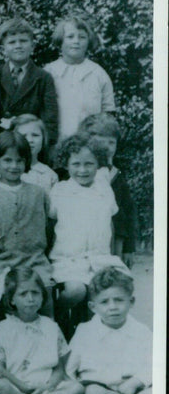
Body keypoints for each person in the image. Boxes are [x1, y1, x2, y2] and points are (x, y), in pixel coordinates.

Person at [49, 133, 130, 337]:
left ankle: (102, 337)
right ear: (66, 164)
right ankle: (54, 318)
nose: (82, 170)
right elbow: (49, 226)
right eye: (76, 164)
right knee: (77, 290)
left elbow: (110, 221)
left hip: (99, 258)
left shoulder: (104, 190)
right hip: (69, 260)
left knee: (118, 289)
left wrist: (115, 255)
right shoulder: (59, 191)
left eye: (89, 164)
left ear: (98, 165)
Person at [0, 267, 89, 394]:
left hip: (46, 388)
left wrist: (48, 386)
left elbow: (59, 368)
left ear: (42, 297)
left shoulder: (51, 327)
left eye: (35, 293)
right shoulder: (2, 328)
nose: (30, 298)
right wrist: (20, 386)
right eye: (23, 294)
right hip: (16, 387)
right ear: (12, 299)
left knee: (78, 389)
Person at [0, 131, 53, 318]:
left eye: (19, 161)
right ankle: (1, 340)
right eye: (7, 160)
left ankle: (48, 337)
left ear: (26, 161)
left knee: (45, 289)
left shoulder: (38, 193)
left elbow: (47, 229)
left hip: (33, 260)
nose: (14, 166)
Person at [67, 268, 152, 394]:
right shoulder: (85, 331)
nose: (112, 307)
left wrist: (136, 381)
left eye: (119, 300)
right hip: (99, 389)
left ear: (131, 302)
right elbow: (69, 368)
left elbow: (155, 364)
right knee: (92, 393)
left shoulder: (141, 331)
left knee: (158, 390)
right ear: (93, 306)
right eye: (104, 302)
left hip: (132, 388)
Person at [79, 113, 138, 268]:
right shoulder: (79, 175)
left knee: (113, 275)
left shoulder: (117, 176)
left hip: (116, 239)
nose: (107, 149)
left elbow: (128, 212)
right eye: (101, 143)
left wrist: (129, 247)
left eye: (112, 143)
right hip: (87, 239)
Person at [44, 14, 115, 141]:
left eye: (82, 37)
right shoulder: (49, 73)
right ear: (61, 40)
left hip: (90, 144)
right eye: (70, 37)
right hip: (55, 143)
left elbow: (108, 113)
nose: (76, 41)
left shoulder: (98, 74)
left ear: (89, 41)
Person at [0, 17, 58, 143]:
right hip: (2, 144)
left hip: (31, 143)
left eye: (23, 41)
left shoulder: (43, 78)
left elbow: (50, 121)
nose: (18, 46)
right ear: (3, 48)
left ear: (32, 46)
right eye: (12, 42)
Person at [12, 113, 59, 192]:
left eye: (35, 135)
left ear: (43, 138)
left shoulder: (50, 176)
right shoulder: (5, 171)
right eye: (23, 136)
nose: (30, 140)